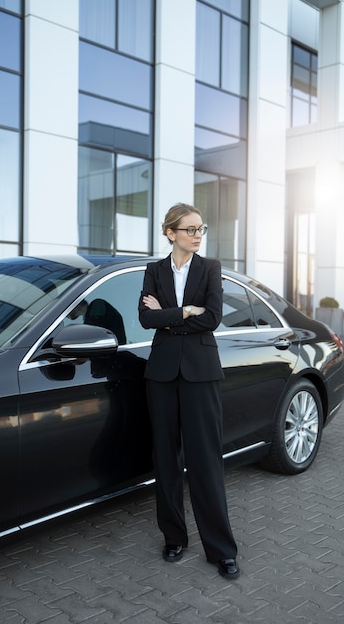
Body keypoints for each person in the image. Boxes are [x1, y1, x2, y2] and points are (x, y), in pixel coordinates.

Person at [138, 203, 239, 579]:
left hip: (200, 373)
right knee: (165, 460)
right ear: (170, 233)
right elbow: (145, 318)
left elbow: (213, 316)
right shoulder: (154, 270)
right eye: (191, 229)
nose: (198, 235)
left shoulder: (210, 269)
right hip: (161, 375)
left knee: (205, 463)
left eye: (201, 229)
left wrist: (168, 313)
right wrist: (183, 312)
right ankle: (174, 537)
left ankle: (222, 550)